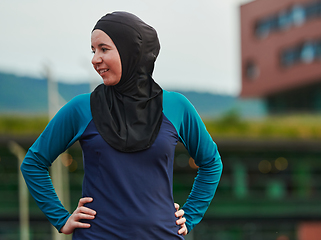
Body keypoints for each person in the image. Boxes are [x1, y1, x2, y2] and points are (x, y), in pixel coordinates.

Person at [21, 11, 223, 239]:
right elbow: (33, 163)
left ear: (131, 51)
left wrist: (191, 214)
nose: (95, 59)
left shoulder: (177, 107)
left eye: (104, 49)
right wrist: (61, 218)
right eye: (93, 50)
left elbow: (211, 163)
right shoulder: (81, 108)